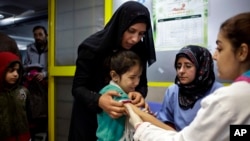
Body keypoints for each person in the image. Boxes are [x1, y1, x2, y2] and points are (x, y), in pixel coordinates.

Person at [125, 12, 250, 141]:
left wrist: (139, 123)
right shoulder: (173, 91)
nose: (215, 56)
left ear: (242, 52)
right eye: (178, 66)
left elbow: (185, 139)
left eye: (220, 48)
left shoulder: (224, 97)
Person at [68, 1, 156, 140]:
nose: (135, 39)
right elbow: (78, 88)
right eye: (131, 31)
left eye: (141, 34)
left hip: (119, 123)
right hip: (89, 119)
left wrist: (139, 94)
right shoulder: (91, 48)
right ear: (120, 25)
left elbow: (142, 83)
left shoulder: (139, 49)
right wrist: (99, 100)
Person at [157, 45, 223, 131]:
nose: (181, 71)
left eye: (188, 66)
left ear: (202, 68)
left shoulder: (217, 91)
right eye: (178, 66)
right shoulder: (173, 90)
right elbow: (165, 120)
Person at [97, 50, 143, 141]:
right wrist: (145, 112)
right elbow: (133, 111)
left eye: (139, 77)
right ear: (115, 76)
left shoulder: (120, 91)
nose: (137, 82)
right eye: (132, 77)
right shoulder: (112, 93)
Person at [23, 25, 48, 140]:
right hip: (33, 85)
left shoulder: (51, 48)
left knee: (46, 110)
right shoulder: (29, 49)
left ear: (46, 35)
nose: (37, 37)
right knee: (33, 109)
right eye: (35, 35)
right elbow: (25, 65)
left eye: (40, 34)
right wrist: (30, 72)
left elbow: (55, 66)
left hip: (46, 84)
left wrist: (44, 74)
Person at [0, 52, 31, 141]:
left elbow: (29, 116)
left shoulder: (23, 92)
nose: (15, 74)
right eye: (11, 70)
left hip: (24, 137)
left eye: (18, 71)